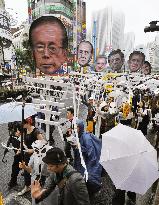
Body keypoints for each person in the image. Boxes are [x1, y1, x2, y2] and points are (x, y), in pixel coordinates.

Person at [72, 119, 102, 200]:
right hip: (81, 162)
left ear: (81, 127)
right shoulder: (77, 136)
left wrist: (79, 147)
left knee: (89, 179)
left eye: (77, 127)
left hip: (87, 163)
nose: (75, 129)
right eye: (74, 127)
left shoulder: (86, 138)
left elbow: (91, 153)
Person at [17, 117, 44, 196]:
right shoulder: (25, 130)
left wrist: (32, 150)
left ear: (28, 123)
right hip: (26, 154)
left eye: (23, 123)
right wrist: (20, 148)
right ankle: (27, 186)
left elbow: (43, 144)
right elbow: (23, 140)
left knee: (35, 173)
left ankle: (37, 190)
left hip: (35, 156)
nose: (21, 125)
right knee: (26, 171)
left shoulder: (36, 131)